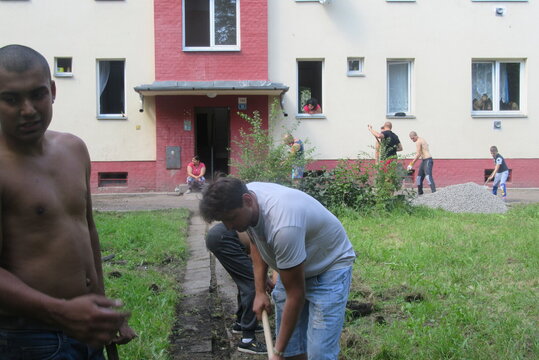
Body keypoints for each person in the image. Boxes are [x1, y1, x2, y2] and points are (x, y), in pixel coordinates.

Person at [0, 44, 136, 359]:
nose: (28, 110)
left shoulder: (73, 149)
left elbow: (86, 229)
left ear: (53, 90)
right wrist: (61, 312)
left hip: (85, 328)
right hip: (30, 339)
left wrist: (100, 307)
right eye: (10, 99)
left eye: (37, 94)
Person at [199, 177, 356, 360]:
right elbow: (256, 240)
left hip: (329, 267)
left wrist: (277, 353)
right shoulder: (246, 199)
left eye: (231, 218)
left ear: (248, 201)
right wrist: (259, 292)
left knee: (319, 353)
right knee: (291, 347)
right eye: (223, 221)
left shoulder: (283, 225)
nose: (229, 226)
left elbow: (295, 294)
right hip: (294, 265)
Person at [205, 223, 267, 355]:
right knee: (254, 283)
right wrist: (265, 281)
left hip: (219, 236)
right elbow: (258, 262)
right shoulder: (266, 234)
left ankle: (240, 323)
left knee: (245, 281)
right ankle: (247, 339)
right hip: (224, 239)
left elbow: (253, 259)